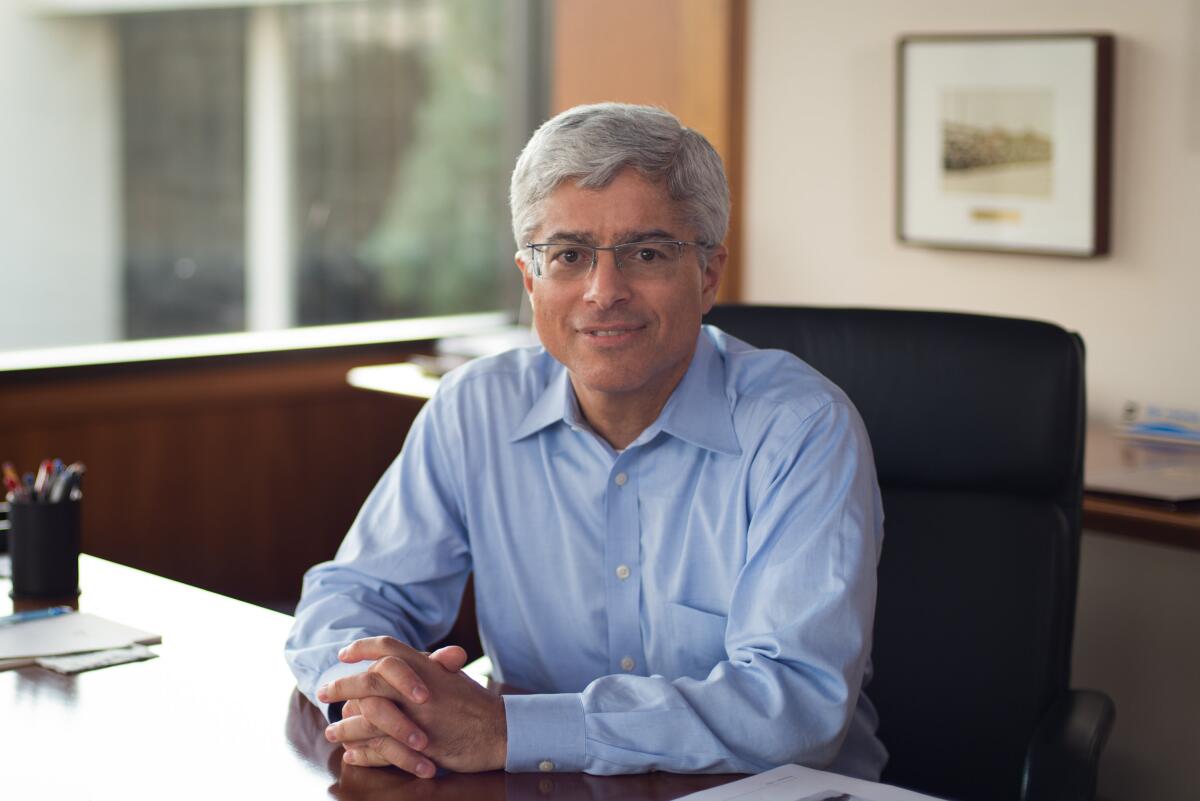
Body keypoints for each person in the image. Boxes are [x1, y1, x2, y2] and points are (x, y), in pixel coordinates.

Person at [285, 102, 887, 781]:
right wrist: (376, 690)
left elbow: (796, 706)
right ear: (529, 279)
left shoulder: (801, 427)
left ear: (710, 274)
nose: (604, 291)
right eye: (569, 255)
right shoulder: (475, 408)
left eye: (647, 253)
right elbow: (355, 593)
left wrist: (510, 727)